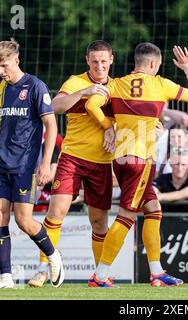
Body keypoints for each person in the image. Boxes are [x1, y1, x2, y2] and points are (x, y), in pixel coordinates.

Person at [85, 42, 188, 287]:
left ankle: (157, 272)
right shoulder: (161, 84)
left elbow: (90, 105)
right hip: (140, 160)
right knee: (127, 215)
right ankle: (100, 275)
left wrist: (109, 127)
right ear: (153, 64)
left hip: (120, 159)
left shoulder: (116, 84)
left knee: (153, 209)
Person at [28, 40, 115, 288]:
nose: (99, 66)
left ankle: (100, 276)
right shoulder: (75, 82)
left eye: (104, 61)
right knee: (56, 213)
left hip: (101, 162)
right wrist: (83, 93)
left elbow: (130, 117)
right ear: (87, 60)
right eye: (95, 61)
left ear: (112, 60)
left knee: (99, 222)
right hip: (72, 159)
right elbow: (54, 106)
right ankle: (44, 268)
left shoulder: (118, 87)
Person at [0, 39, 63, 289]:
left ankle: (53, 257)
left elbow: (51, 125)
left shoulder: (36, 87)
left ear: (16, 60)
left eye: (4, 66)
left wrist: (45, 163)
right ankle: (6, 276)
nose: (1, 71)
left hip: (25, 166)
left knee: (24, 221)